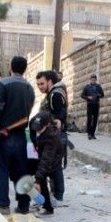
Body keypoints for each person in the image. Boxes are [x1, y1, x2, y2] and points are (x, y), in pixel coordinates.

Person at [0, 56, 35, 215]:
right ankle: (23, 206)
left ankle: (3, 205)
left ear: (11, 67)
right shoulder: (29, 88)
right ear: (25, 69)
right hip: (21, 136)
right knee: (21, 170)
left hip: (3, 136)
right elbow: (29, 110)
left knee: (0, 170)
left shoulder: (3, 84)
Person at [35, 70, 67, 206]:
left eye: (42, 83)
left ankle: (58, 196)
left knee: (55, 167)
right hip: (51, 136)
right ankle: (54, 194)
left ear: (49, 81)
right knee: (52, 166)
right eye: (38, 84)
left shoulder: (55, 95)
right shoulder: (51, 94)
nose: (40, 86)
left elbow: (59, 117)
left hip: (54, 137)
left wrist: (55, 126)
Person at [29, 111, 63, 217]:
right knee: (24, 169)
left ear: (47, 124)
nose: (37, 130)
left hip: (52, 161)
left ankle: (48, 207)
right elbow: (32, 131)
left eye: (40, 128)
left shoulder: (51, 137)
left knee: (42, 178)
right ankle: (38, 201)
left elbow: (46, 160)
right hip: (43, 155)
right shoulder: (34, 123)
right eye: (36, 127)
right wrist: (35, 143)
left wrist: (38, 180)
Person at [81, 74, 104, 139]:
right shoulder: (87, 87)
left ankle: (93, 134)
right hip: (90, 104)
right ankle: (89, 133)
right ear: (90, 80)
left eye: (94, 79)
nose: (93, 81)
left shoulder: (98, 87)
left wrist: (98, 95)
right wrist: (88, 97)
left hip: (96, 104)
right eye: (92, 79)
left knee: (95, 119)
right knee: (89, 119)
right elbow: (82, 95)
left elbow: (102, 95)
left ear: (96, 80)